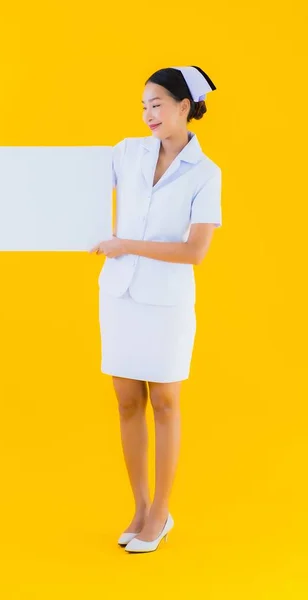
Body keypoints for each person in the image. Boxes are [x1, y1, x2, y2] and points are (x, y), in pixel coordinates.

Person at [89, 66, 222, 553]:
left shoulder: (206, 174)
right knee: (127, 401)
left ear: (185, 106)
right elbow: (63, 192)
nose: (148, 114)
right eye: (143, 105)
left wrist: (127, 243)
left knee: (164, 404)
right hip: (120, 296)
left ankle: (162, 511)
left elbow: (194, 252)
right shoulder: (126, 153)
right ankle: (141, 507)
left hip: (166, 303)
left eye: (157, 104)